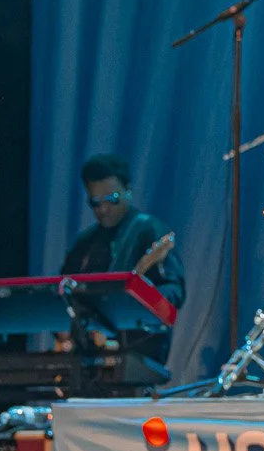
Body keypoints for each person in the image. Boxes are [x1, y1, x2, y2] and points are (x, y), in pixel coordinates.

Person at [60, 153, 185, 363]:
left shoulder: (148, 231)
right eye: (95, 202)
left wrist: (139, 302)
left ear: (128, 190)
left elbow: (174, 292)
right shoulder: (85, 242)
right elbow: (62, 292)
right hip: (87, 356)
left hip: (138, 352)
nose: (103, 209)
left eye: (112, 199)